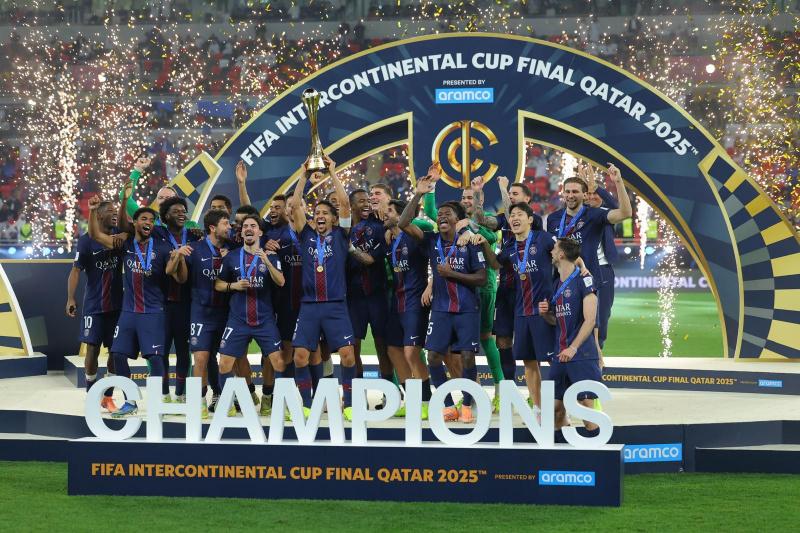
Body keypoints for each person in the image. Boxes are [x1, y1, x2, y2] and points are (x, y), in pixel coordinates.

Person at [89, 184, 185, 418]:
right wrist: (92, 211)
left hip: (153, 312)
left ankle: (158, 404)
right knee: (118, 355)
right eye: (144, 219)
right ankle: (130, 401)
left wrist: (177, 260)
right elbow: (96, 236)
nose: (148, 222)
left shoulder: (163, 247)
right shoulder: (126, 243)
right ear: (135, 223)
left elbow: (180, 278)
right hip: (129, 312)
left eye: (151, 220)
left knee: (156, 358)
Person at [398, 176, 487, 423]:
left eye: (447, 214)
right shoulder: (431, 240)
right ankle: (448, 405)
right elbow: (403, 223)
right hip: (440, 310)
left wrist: (451, 274)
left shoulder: (471, 242)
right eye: (439, 215)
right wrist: (418, 194)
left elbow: (481, 278)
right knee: (433, 357)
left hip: (467, 308)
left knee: (467, 356)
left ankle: (467, 404)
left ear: (458, 219)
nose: (441, 217)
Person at [289, 156, 358, 420]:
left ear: (333, 219)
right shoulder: (306, 235)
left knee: (348, 355)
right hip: (309, 306)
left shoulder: (341, 235)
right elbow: (295, 205)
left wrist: (332, 172)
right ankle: (308, 405)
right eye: (316, 213)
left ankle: (348, 404)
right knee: (300, 357)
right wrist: (304, 175)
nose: (319, 216)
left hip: (335, 304)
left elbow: (344, 203)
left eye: (325, 213)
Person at [545, 163, 631, 354]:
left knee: (594, 329)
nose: (570, 195)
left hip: (587, 279)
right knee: (563, 327)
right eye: (567, 191)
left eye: (575, 191)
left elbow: (625, 213)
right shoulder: (553, 218)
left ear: (585, 195)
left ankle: (596, 362)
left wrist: (618, 182)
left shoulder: (594, 215)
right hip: (561, 281)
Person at [484, 202, 558, 418]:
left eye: (519, 215)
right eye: (512, 215)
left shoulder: (544, 239)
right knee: (529, 361)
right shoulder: (509, 248)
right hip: (521, 312)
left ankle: (560, 408)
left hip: (543, 310)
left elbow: (565, 257)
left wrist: (581, 269)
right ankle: (539, 409)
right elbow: (495, 264)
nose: (514, 218)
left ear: (530, 219)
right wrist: (484, 244)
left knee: (553, 361)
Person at [214, 213, 285, 416]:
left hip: (264, 319)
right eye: (245, 226)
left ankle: (269, 398)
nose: (248, 229)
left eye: (253, 226)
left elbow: (281, 281)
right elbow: (218, 284)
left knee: (278, 362)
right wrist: (233, 286)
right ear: (242, 232)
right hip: (238, 319)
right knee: (224, 363)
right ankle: (227, 403)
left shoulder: (271, 256)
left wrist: (267, 262)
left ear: (260, 232)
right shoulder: (232, 257)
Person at [539, 238, 602, 432]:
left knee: (586, 409)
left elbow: (590, 320)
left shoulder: (584, 280)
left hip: (581, 354)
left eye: (554, 249)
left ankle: (596, 448)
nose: (551, 251)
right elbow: (556, 321)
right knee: (556, 409)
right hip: (561, 355)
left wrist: (573, 348)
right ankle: (563, 447)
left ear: (561, 255)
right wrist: (545, 314)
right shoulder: (556, 284)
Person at [66, 200, 123, 412]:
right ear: (98, 215)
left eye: (116, 211)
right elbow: (75, 270)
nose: (115, 214)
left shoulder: (120, 235)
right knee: (92, 349)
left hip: (117, 306)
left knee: (116, 352)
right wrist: (70, 298)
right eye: (110, 211)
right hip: (94, 305)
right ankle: (91, 393)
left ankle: (108, 397)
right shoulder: (86, 241)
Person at [492, 181, 543, 389]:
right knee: (503, 340)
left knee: (532, 345)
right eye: (509, 194)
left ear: (527, 199)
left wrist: (502, 190)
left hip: (529, 292)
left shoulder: (534, 220)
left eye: (515, 193)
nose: (511, 196)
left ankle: (536, 394)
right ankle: (508, 391)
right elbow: (485, 222)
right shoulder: (504, 221)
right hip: (506, 289)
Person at [384, 198, 431, 419]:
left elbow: (435, 259)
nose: (385, 213)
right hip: (397, 301)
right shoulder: (390, 239)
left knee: (411, 351)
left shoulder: (414, 235)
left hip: (415, 300)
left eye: (390, 210)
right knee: (393, 349)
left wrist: (431, 284)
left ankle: (426, 402)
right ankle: (412, 399)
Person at [154, 196, 202, 402]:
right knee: (162, 351)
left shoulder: (194, 235)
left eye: (183, 211)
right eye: (176, 211)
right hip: (162, 304)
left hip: (186, 304)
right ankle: (164, 393)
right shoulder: (157, 234)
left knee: (183, 351)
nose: (182, 214)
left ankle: (181, 393)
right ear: (165, 216)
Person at [186, 210, 231, 418]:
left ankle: (225, 396)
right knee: (201, 358)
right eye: (225, 224)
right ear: (213, 228)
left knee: (228, 358)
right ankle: (199, 401)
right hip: (201, 312)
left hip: (227, 313)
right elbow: (179, 277)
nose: (229, 227)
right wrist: (177, 257)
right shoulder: (194, 249)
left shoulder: (233, 249)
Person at [580, 164, 619, 350]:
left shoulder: (606, 215)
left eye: (595, 194)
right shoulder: (579, 215)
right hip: (582, 270)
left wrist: (597, 187)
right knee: (582, 313)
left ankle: (598, 349)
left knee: (603, 313)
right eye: (588, 194)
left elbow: (616, 206)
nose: (592, 196)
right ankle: (583, 349)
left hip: (604, 270)